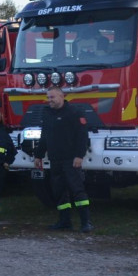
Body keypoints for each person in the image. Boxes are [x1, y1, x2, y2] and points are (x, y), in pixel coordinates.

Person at [34, 87, 92, 232]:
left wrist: (79, 155)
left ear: (62, 96)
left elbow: (82, 136)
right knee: (59, 191)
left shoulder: (74, 112)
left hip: (71, 159)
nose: (49, 100)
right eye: (48, 97)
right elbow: (44, 136)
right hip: (55, 159)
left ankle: (86, 222)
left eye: (52, 97)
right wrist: (38, 155)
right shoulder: (47, 113)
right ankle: (64, 221)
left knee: (77, 190)